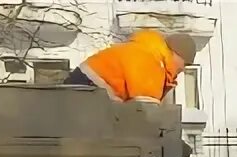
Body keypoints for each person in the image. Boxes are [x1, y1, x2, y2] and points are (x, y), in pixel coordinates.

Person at [64, 30, 196, 104]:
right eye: (185, 64)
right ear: (176, 54)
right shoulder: (151, 62)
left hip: (85, 87)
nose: (183, 69)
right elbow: (145, 110)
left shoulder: (148, 52)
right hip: (87, 90)